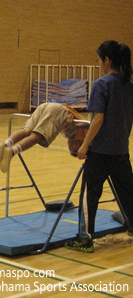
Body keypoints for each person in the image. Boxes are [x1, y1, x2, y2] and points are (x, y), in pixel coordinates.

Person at [65, 40, 133, 253]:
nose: (97, 62)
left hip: (100, 152)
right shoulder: (129, 85)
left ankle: (84, 237)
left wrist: (85, 144)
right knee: (128, 192)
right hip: (121, 149)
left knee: (89, 194)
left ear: (107, 60)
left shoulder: (102, 84)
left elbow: (98, 119)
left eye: (98, 58)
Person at [0, 103, 89, 173]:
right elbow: (88, 124)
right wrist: (75, 126)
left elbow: (71, 128)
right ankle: (12, 152)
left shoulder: (70, 136)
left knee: (26, 131)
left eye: (70, 148)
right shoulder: (85, 135)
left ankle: (6, 144)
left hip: (45, 106)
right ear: (81, 145)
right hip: (59, 110)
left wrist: (72, 125)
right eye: (74, 148)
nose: (70, 145)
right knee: (37, 136)